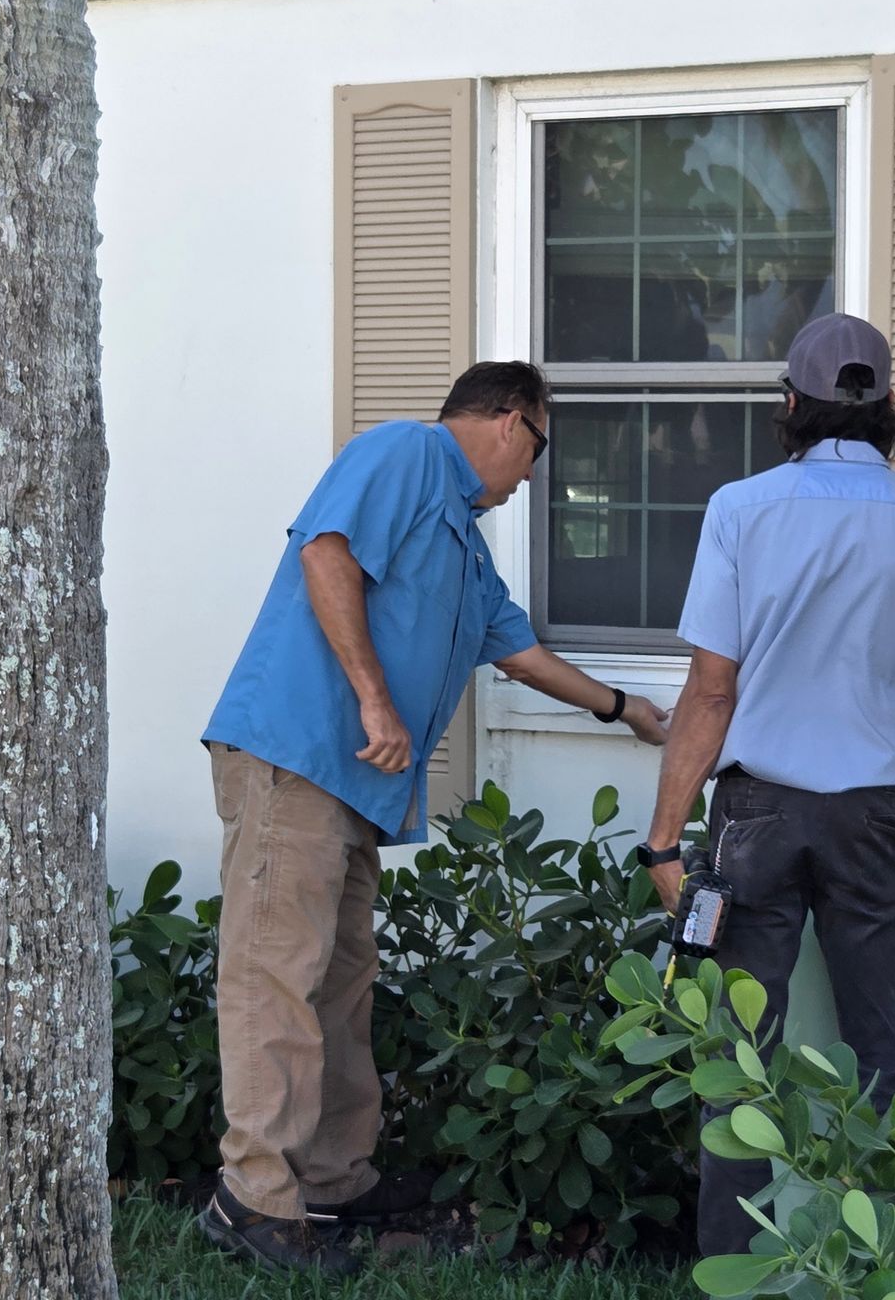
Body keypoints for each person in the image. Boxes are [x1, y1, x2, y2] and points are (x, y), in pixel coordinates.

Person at [198, 361, 669, 1275]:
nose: (533, 473)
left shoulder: (464, 543)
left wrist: (626, 709)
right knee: (274, 975)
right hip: (298, 755)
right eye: (539, 449)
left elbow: (523, 653)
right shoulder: (406, 452)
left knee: (339, 982)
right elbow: (326, 551)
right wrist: (375, 700)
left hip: (351, 786)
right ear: (509, 419)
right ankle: (252, 1198)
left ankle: (331, 1178)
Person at [635, 313, 895, 1257]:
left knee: (740, 1056)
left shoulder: (741, 509)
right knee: (883, 1054)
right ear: (891, 408)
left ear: (789, 405)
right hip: (873, 812)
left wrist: (665, 839)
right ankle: (871, 1262)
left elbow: (712, 688)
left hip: (757, 812)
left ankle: (734, 1266)